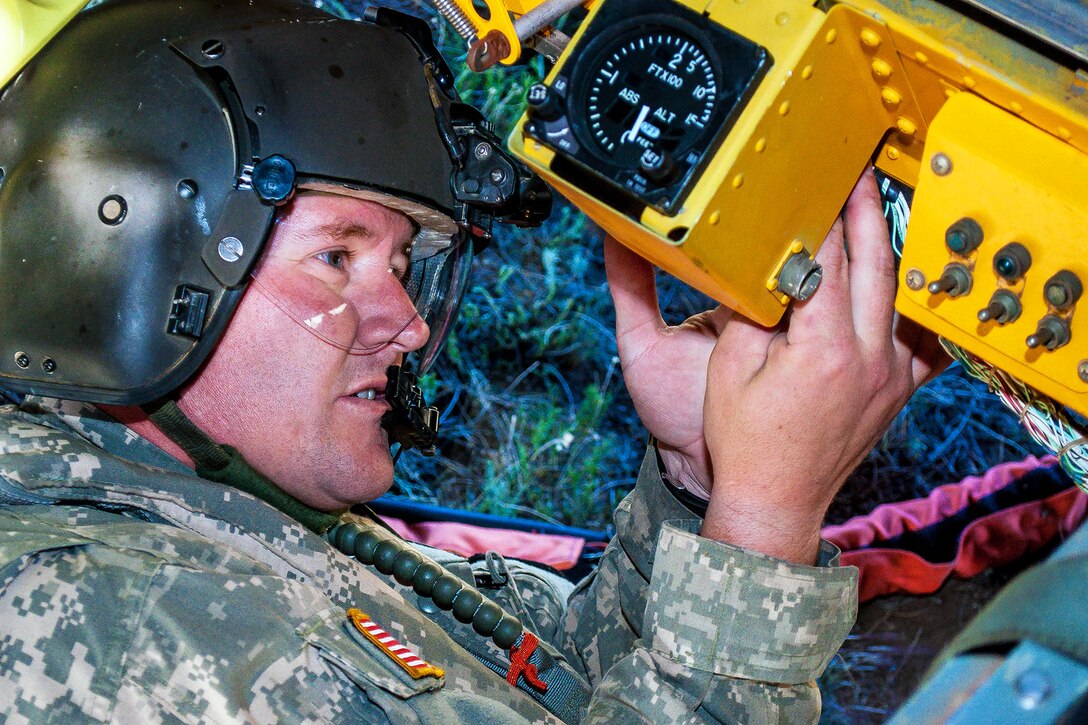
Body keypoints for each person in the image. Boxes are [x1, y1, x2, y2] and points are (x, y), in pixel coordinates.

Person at [0, 0, 944, 721]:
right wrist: (763, 524)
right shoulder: (111, 616)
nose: (407, 325)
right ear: (119, 263)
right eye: (339, 255)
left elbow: (561, 676)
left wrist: (702, 482)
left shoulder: (223, 529)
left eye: (405, 264)